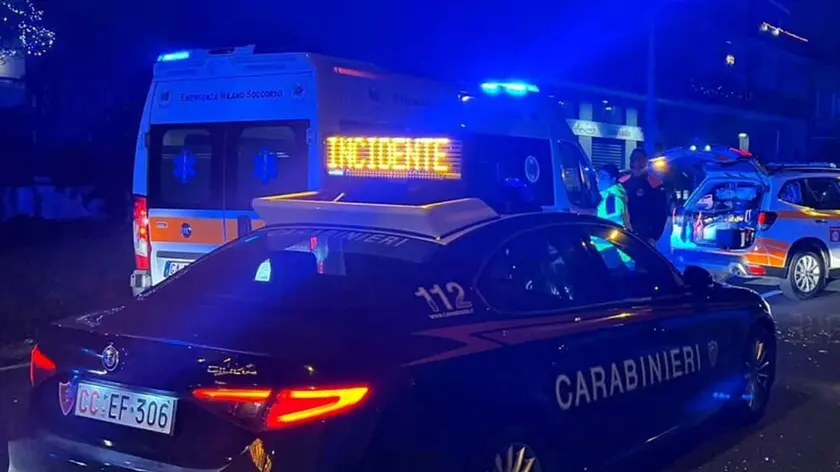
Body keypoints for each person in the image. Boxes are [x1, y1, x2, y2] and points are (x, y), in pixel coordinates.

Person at [619, 148, 669, 247]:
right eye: (634, 159)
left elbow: (661, 212)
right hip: (622, 231)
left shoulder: (654, 184)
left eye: (639, 160)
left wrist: (654, 236)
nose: (636, 163)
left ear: (645, 162)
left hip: (644, 234)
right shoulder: (622, 182)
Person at [596, 164, 631, 230]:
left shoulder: (611, 200)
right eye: (599, 176)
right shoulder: (610, 196)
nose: (599, 180)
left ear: (613, 179)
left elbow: (614, 228)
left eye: (603, 177)